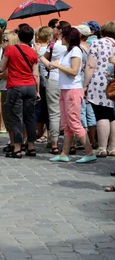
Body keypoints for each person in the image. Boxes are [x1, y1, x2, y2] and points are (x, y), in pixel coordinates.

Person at [40, 27, 96, 163]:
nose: (60, 38)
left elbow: (74, 71)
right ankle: (64, 153)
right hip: (64, 90)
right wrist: (39, 55)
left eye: (62, 36)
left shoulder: (76, 50)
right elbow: (50, 65)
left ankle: (89, 152)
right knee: (66, 124)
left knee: (74, 122)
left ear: (68, 38)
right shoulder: (66, 52)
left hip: (72, 90)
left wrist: (57, 66)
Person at [0, 24, 40, 158]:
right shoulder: (33, 52)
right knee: (30, 117)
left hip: (15, 86)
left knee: (16, 117)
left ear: (19, 36)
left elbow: (1, 67)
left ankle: (17, 147)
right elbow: (36, 74)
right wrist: (37, 90)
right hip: (31, 86)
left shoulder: (11, 49)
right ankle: (31, 146)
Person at [84, 21, 115, 157]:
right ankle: (112, 147)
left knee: (102, 114)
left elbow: (90, 65)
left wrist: (85, 85)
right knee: (113, 116)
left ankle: (102, 148)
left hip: (100, 82)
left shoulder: (97, 43)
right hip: (113, 82)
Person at [44, 21, 68, 154]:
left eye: (55, 28)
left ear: (59, 31)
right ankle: (71, 143)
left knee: (54, 113)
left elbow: (47, 60)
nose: (53, 29)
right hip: (68, 80)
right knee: (67, 112)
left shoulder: (54, 45)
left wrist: (40, 55)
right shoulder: (73, 46)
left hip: (54, 78)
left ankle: (54, 143)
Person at [75, 24, 97, 149]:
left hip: (82, 81)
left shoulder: (79, 48)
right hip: (91, 81)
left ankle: (84, 140)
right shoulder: (92, 46)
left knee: (81, 110)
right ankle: (93, 140)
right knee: (90, 111)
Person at [0, 31, 20, 152]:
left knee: (9, 116)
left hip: (7, 86)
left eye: (5, 40)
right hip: (11, 86)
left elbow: (6, 73)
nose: (2, 42)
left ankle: (13, 143)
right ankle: (14, 142)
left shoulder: (9, 53)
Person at [34, 26, 53, 144]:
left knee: (39, 109)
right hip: (48, 81)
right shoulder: (50, 49)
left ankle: (39, 132)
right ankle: (47, 133)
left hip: (39, 81)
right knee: (49, 110)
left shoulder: (37, 49)